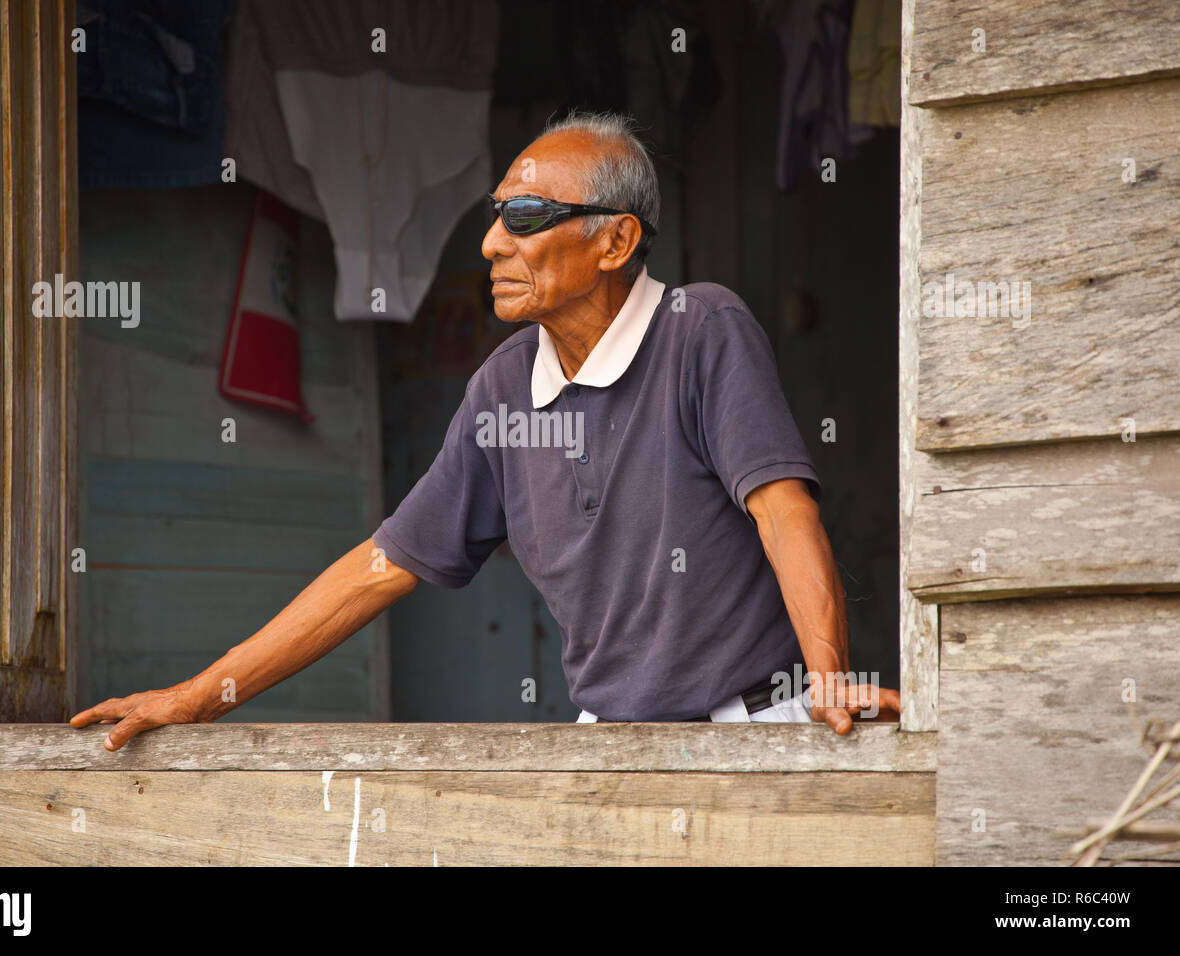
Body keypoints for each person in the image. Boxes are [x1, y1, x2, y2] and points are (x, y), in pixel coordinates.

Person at [72, 110, 899, 750]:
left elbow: (783, 509)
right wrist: (195, 697)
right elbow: (379, 567)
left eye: (528, 216)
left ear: (616, 240)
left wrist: (828, 677)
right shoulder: (504, 386)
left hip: (755, 732)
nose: (492, 242)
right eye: (498, 214)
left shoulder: (698, 328)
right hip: (613, 747)